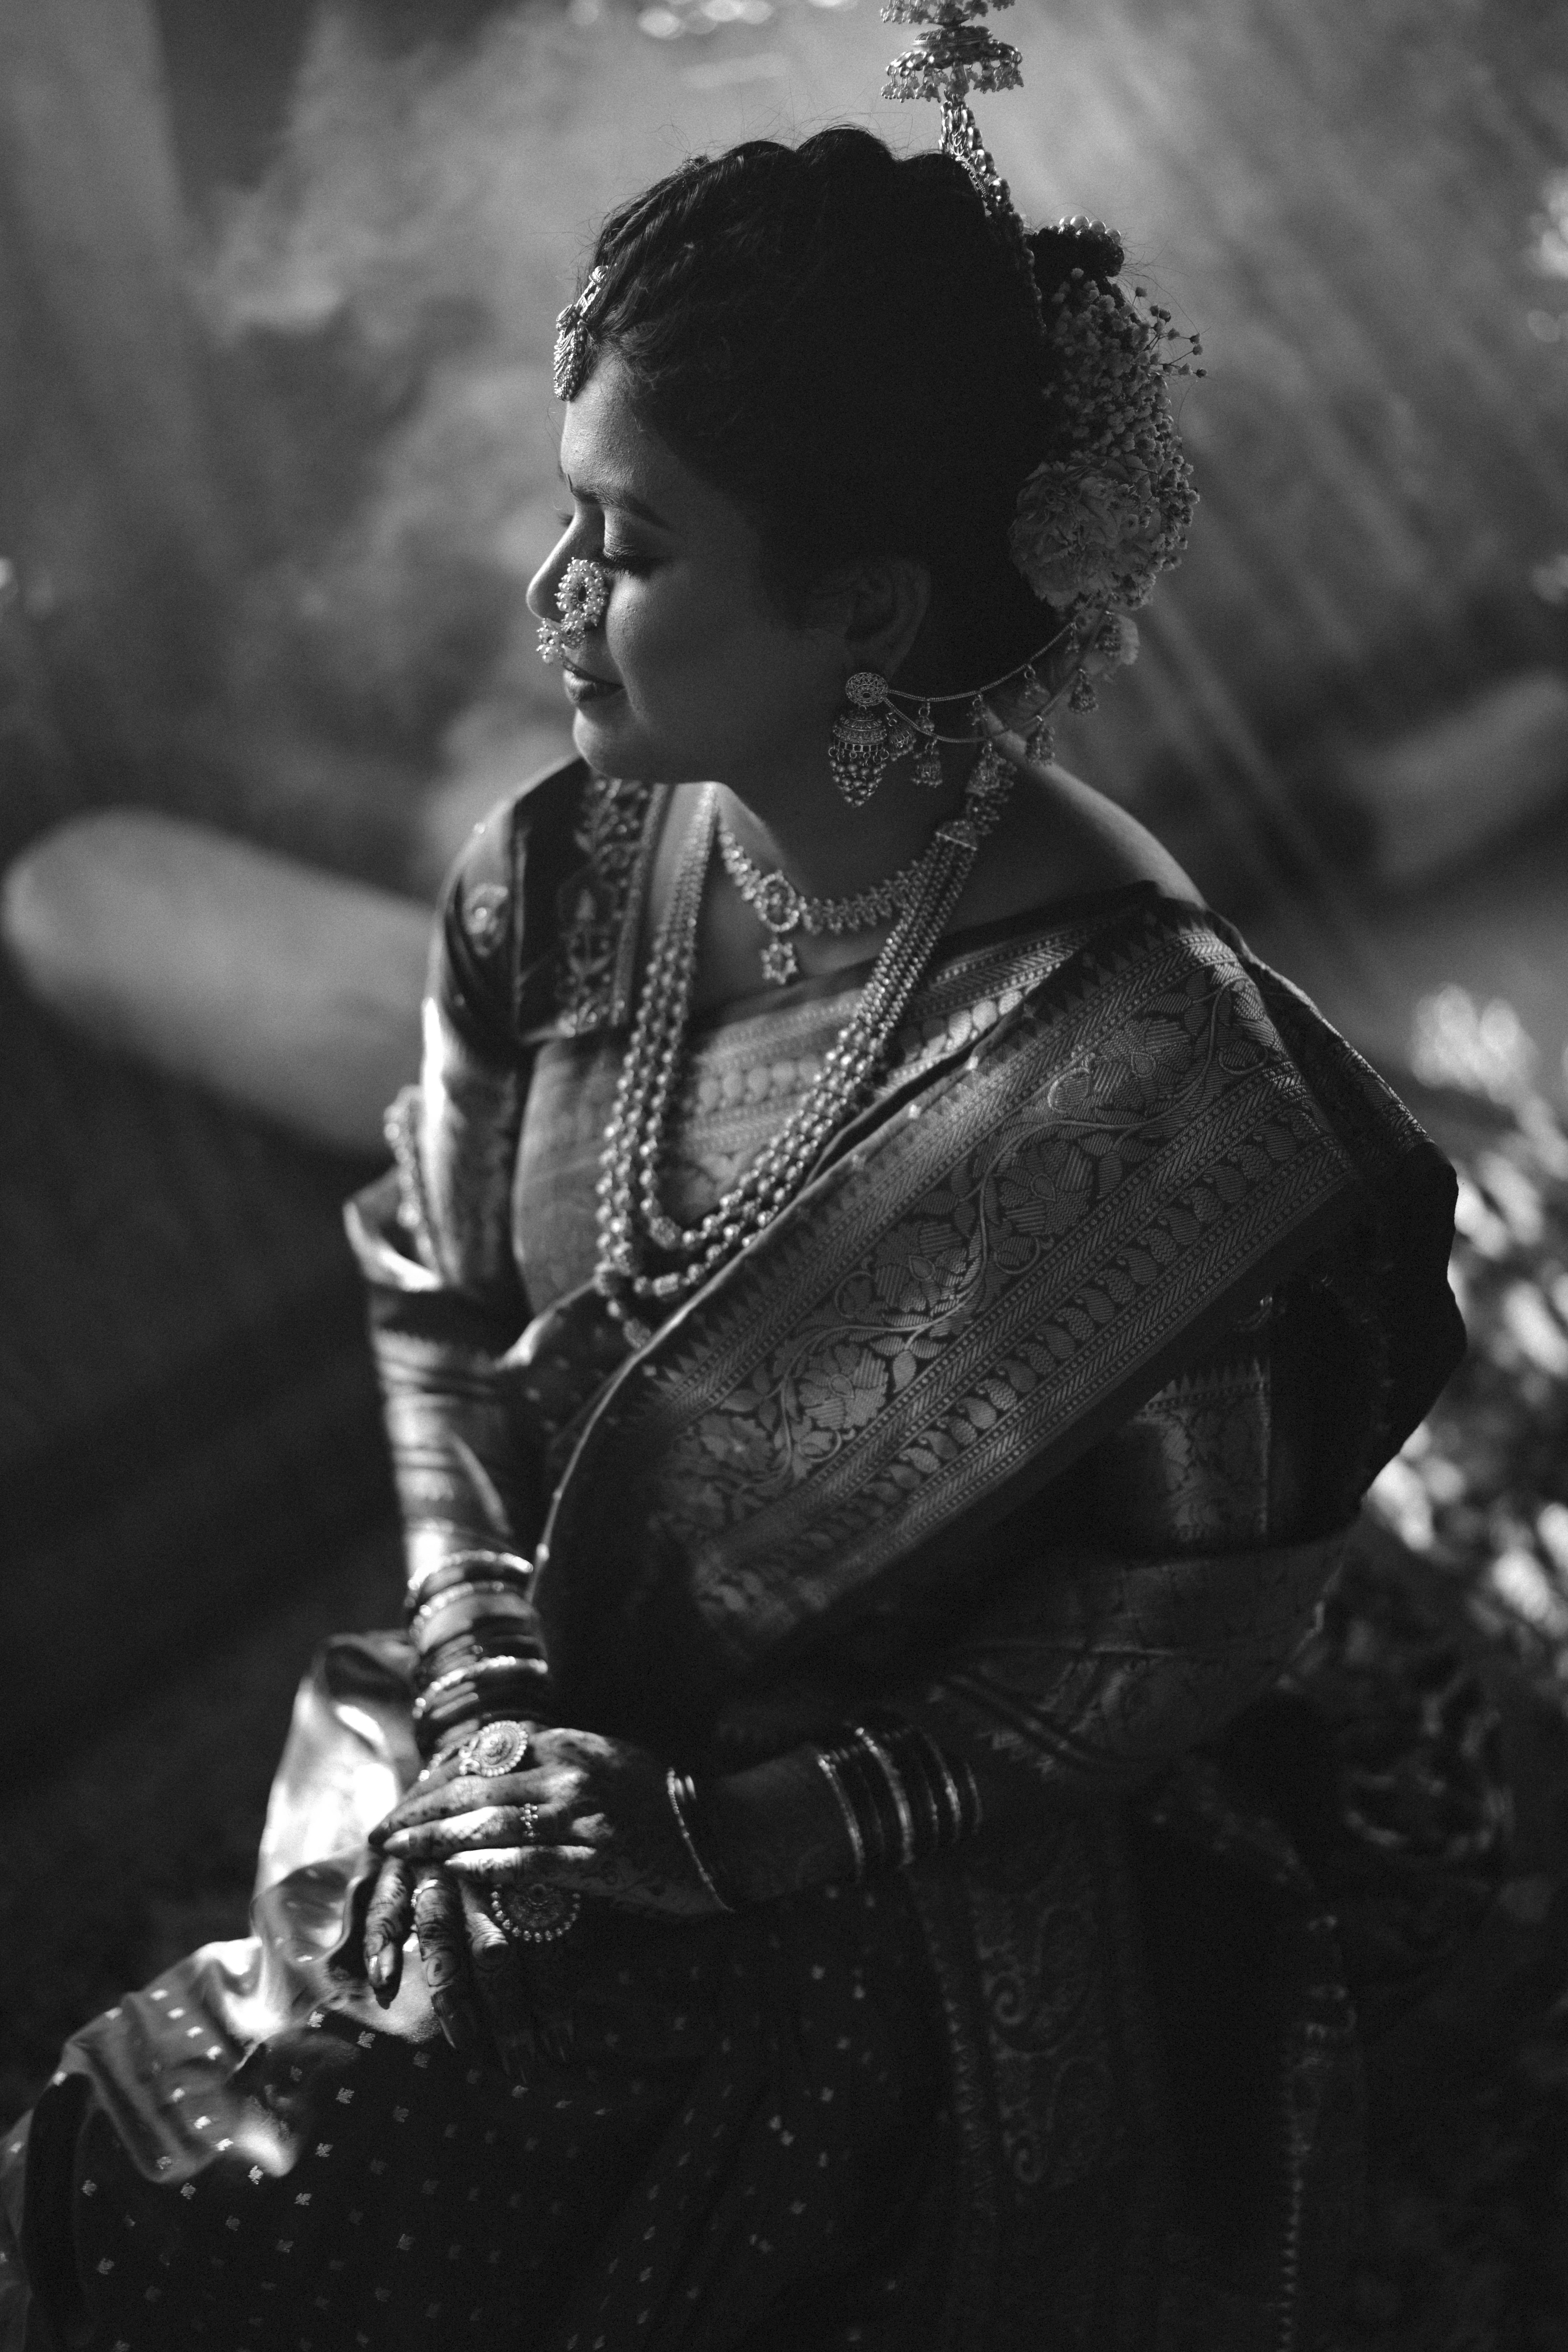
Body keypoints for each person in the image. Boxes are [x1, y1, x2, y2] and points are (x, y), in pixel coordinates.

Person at [1, 9, 1467, 2346]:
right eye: (568, 515)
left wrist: (710, 1840)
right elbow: (435, 1294)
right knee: (128, 2177)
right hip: (543, 1751)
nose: (550, 599)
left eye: (635, 542)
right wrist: (488, 1693)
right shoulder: (554, 881)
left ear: (868, 615)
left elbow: (1138, 1668)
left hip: (918, 1891)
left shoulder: (1192, 1114)